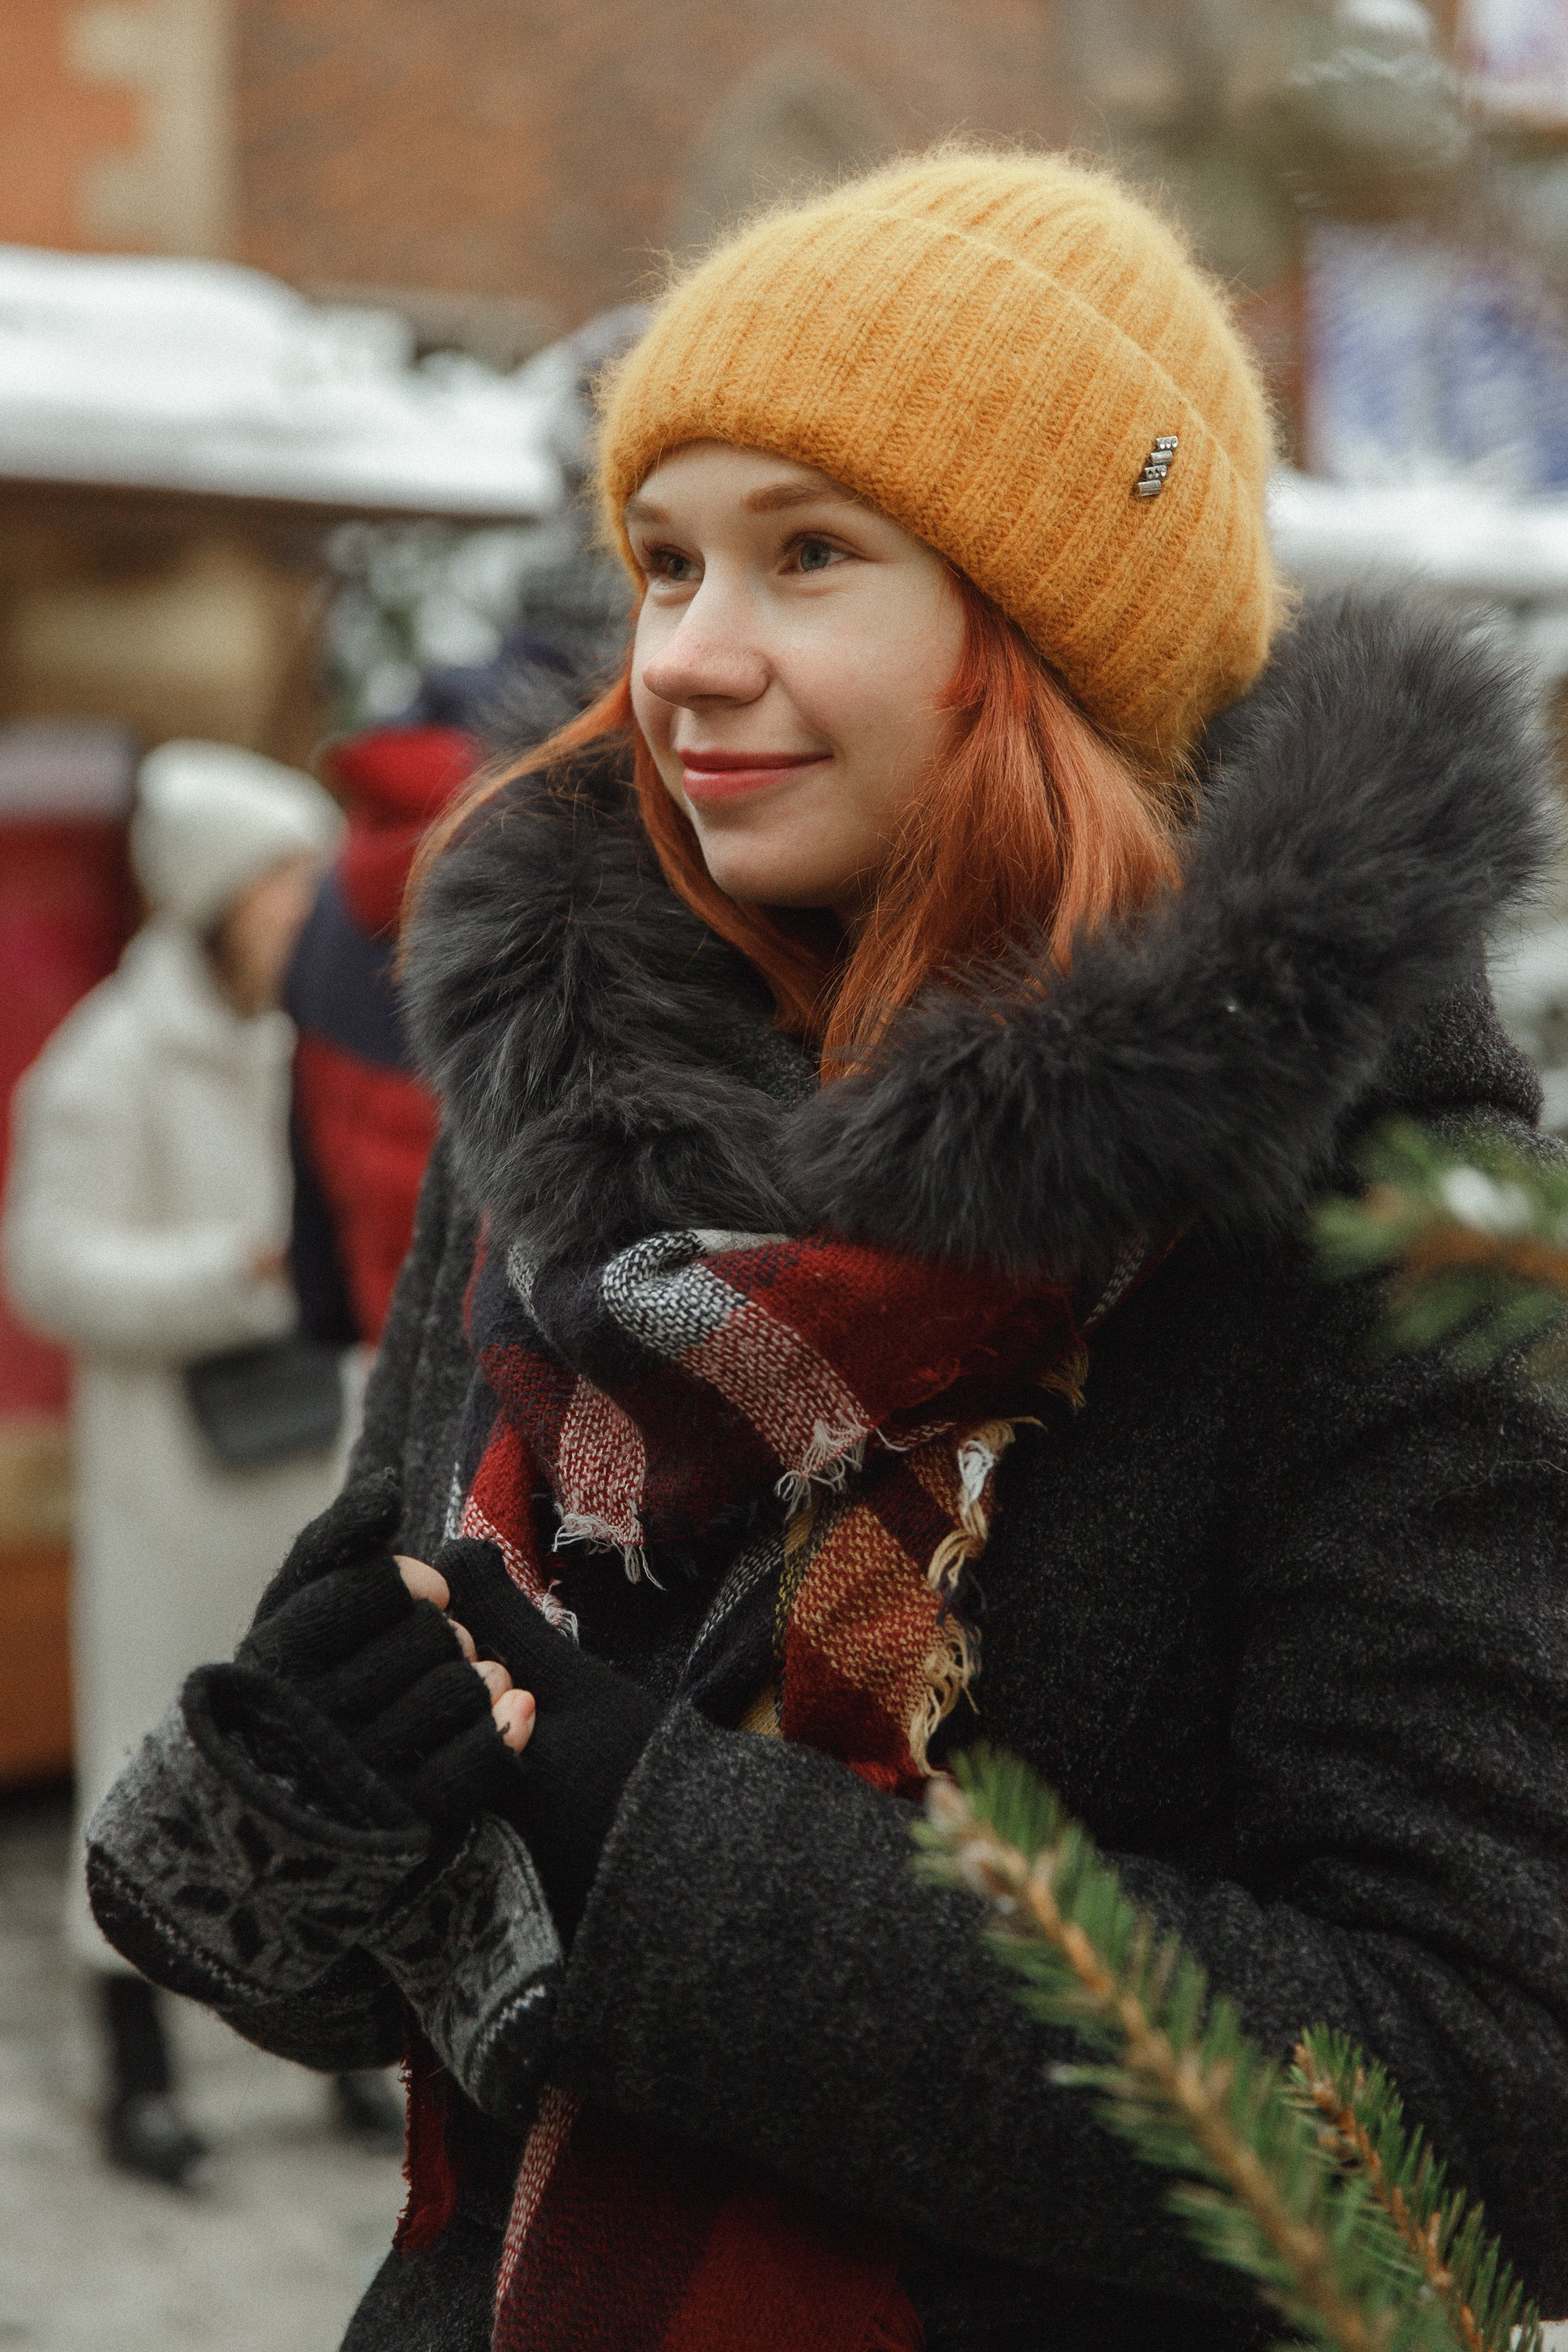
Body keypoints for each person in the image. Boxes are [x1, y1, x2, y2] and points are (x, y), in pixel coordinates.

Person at [81, 150, 1568, 2350]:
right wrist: (313, 1769)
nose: (687, 657)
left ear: (1049, 627)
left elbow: (1473, 2118)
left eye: (808, 554)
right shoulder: (559, 1121)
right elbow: (354, 1986)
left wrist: (639, 1839)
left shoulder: (1371, 1223)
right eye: (663, 558)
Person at [0, 739, 390, 2183]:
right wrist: (237, 1273)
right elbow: (46, 1268)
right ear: (219, 896)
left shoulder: (322, 1033)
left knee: (316, 1750)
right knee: (145, 1764)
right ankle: (140, 2079)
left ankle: (339, 2047)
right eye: (288, 881)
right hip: (175, 1482)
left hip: (309, 1462)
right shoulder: (110, 1057)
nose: (313, 906)